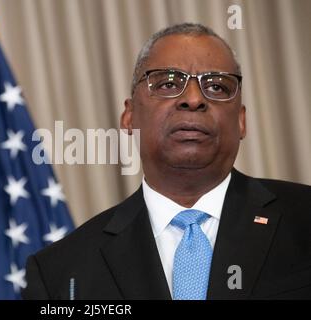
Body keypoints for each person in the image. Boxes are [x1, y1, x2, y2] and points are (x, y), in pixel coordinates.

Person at [22, 23, 311, 300]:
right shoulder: (60, 272)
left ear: (241, 120)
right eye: (168, 83)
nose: (194, 99)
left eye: (217, 87)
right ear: (129, 115)